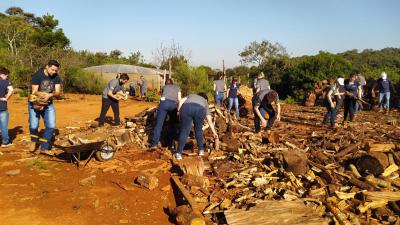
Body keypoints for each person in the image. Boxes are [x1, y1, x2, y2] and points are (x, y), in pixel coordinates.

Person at [29, 60, 62, 154]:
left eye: (56, 70)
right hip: (35, 102)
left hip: (49, 103)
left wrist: (49, 95)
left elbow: (57, 92)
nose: (54, 72)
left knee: (51, 126)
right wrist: (39, 104)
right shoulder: (37, 75)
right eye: (52, 70)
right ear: (47, 67)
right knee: (34, 125)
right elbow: (34, 92)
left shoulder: (56, 77)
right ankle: (34, 141)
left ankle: (44, 148)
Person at [175, 93, 218, 160]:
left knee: (185, 131)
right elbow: (210, 121)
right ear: (205, 99)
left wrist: (179, 111)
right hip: (200, 109)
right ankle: (201, 151)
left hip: (187, 107)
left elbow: (181, 101)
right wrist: (214, 133)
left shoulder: (191, 95)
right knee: (198, 130)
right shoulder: (205, 102)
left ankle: (178, 153)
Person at [149, 79, 181, 148]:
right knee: (172, 125)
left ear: (166, 84)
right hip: (173, 104)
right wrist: (178, 109)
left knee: (159, 124)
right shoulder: (177, 88)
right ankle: (170, 144)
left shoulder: (164, 87)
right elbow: (179, 99)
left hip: (163, 103)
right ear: (173, 83)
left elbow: (161, 97)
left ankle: (154, 144)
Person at [0, 67, 14, 147]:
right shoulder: (5, 82)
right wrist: (6, 98)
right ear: (2, 74)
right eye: (6, 76)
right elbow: (11, 90)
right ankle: (5, 142)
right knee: (4, 126)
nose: (7, 77)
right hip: (2, 106)